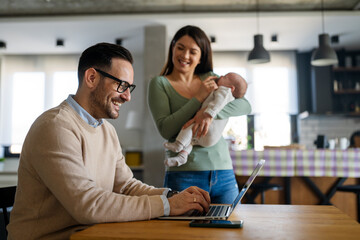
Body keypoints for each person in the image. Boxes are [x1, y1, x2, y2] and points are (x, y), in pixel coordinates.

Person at [7, 42, 210, 240]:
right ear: (92, 77)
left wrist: (171, 196)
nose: (127, 97)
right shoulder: (55, 127)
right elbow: (88, 205)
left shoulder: (107, 130)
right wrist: (167, 206)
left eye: (130, 87)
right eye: (121, 85)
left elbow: (126, 187)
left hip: (91, 234)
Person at [148, 25, 251, 204]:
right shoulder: (159, 83)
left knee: (230, 230)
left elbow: (245, 105)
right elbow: (166, 129)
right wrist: (198, 99)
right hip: (184, 175)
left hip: (223, 172)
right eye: (180, 47)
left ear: (201, 56)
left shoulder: (211, 78)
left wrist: (208, 114)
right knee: (183, 232)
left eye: (193, 51)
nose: (185, 56)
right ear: (172, 47)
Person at [163, 72, 248, 167]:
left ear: (231, 88)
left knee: (190, 127)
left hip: (209, 128)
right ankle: (182, 157)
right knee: (191, 141)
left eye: (226, 77)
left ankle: (178, 144)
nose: (222, 76)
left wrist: (208, 114)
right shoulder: (225, 93)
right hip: (211, 138)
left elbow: (218, 103)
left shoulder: (225, 91)